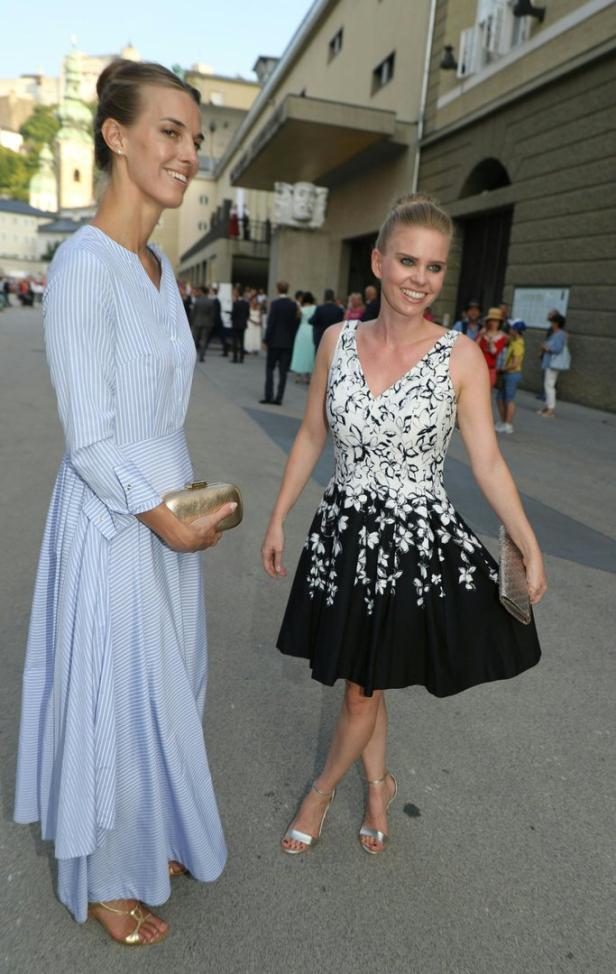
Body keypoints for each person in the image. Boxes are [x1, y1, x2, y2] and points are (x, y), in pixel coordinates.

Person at [14, 58, 236, 946]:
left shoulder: (157, 266)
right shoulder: (83, 265)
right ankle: (107, 878)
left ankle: (150, 833)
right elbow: (92, 435)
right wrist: (164, 521)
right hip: (115, 520)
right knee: (112, 691)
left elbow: (154, 408)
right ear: (116, 136)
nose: (188, 152)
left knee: (165, 683)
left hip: (165, 508)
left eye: (195, 137)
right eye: (170, 132)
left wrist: (189, 507)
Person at [261, 193, 545, 858]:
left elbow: (489, 464)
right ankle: (380, 783)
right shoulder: (338, 340)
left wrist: (528, 545)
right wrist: (278, 518)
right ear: (379, 261)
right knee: (370, 673)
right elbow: (309, 436)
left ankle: (322, 790)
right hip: (341, 538)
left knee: (361, 688)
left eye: (436, 266)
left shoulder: (460, 357)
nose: (421, 277)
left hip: (411, 547)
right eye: (409, 261)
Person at [260, 281, 300, 404]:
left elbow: (271, 323)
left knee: (270, 369)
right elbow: (295, 324)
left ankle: (269, 396)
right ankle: (279, 398)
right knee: (283, 372)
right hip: (287, 343)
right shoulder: (293, 305)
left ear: (278, 289)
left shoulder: (275, 304)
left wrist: (266, 339)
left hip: (274, 342)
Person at [495, 319, 526, 434]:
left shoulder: (518, 344)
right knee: (499, 398)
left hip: (512, 374)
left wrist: (503, 368)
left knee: (509, 399)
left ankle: (508, 424)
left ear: (516, 330)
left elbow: (515, 363)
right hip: (507, 374)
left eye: (512, 328)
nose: (510, 330)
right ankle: (503, 421)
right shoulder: (514, 341)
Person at [538, 312, 569, 418]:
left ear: (556, 323)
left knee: (549, 385)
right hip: (549, 362)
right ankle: (547, 407)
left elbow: (558, 349)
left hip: (553, 363)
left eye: (552, 321)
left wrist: (547, 348)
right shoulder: (556, 333)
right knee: (548, 384)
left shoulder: (559, 334)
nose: (551, 323)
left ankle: (550, 409)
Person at [290, 291, 317, 383]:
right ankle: (308, 376)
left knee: (300, 352)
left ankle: (298, 375)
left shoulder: (301, 308)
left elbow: (297, 317)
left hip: (302, 330)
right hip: (311, 330)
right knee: (310, 353)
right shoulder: (315, 308)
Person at [478, 307, 508, 387]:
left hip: (490, 369)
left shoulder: (501, 336)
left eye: (496, 321)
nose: (494, 323)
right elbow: (475, 348)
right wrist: (480, 336)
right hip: (478, 367)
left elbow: (495, 353)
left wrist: (491, 342)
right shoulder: (482, 333)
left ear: (500, 323)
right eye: (492, 320)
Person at [190, 285, 217, 361]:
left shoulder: (197, 301)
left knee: (195, 340)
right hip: (206, 324)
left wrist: (192, 322)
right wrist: (211, 323)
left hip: (197, 323)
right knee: (204, 340)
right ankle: (202, 355)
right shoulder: (210, 302)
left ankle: (193, 356)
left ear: (201, 292)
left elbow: (193, 313)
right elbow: (212, 315)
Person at [230, 284, 250, 363]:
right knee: (242, 342)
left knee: (235, 342)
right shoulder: (246, 303)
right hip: (243, 324)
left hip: (236, 324)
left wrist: (232, 319)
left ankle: (235, 358)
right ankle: (241, 358)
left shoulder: (236, 303)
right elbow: (248, 314)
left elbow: (233, 314)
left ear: (238, 293)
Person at [244, 290, 263, 354]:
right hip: (250, 322)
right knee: (249, 335)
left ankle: (255, 348)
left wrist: (260, 321)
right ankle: (248, 348)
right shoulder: (248, 306)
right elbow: (247, 316)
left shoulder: (258, 307)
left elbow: (260, 315)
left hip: (257, 323)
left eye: (256, 300)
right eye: (253, 300)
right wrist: (253, 321)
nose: (255, 301)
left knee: (256, 336)